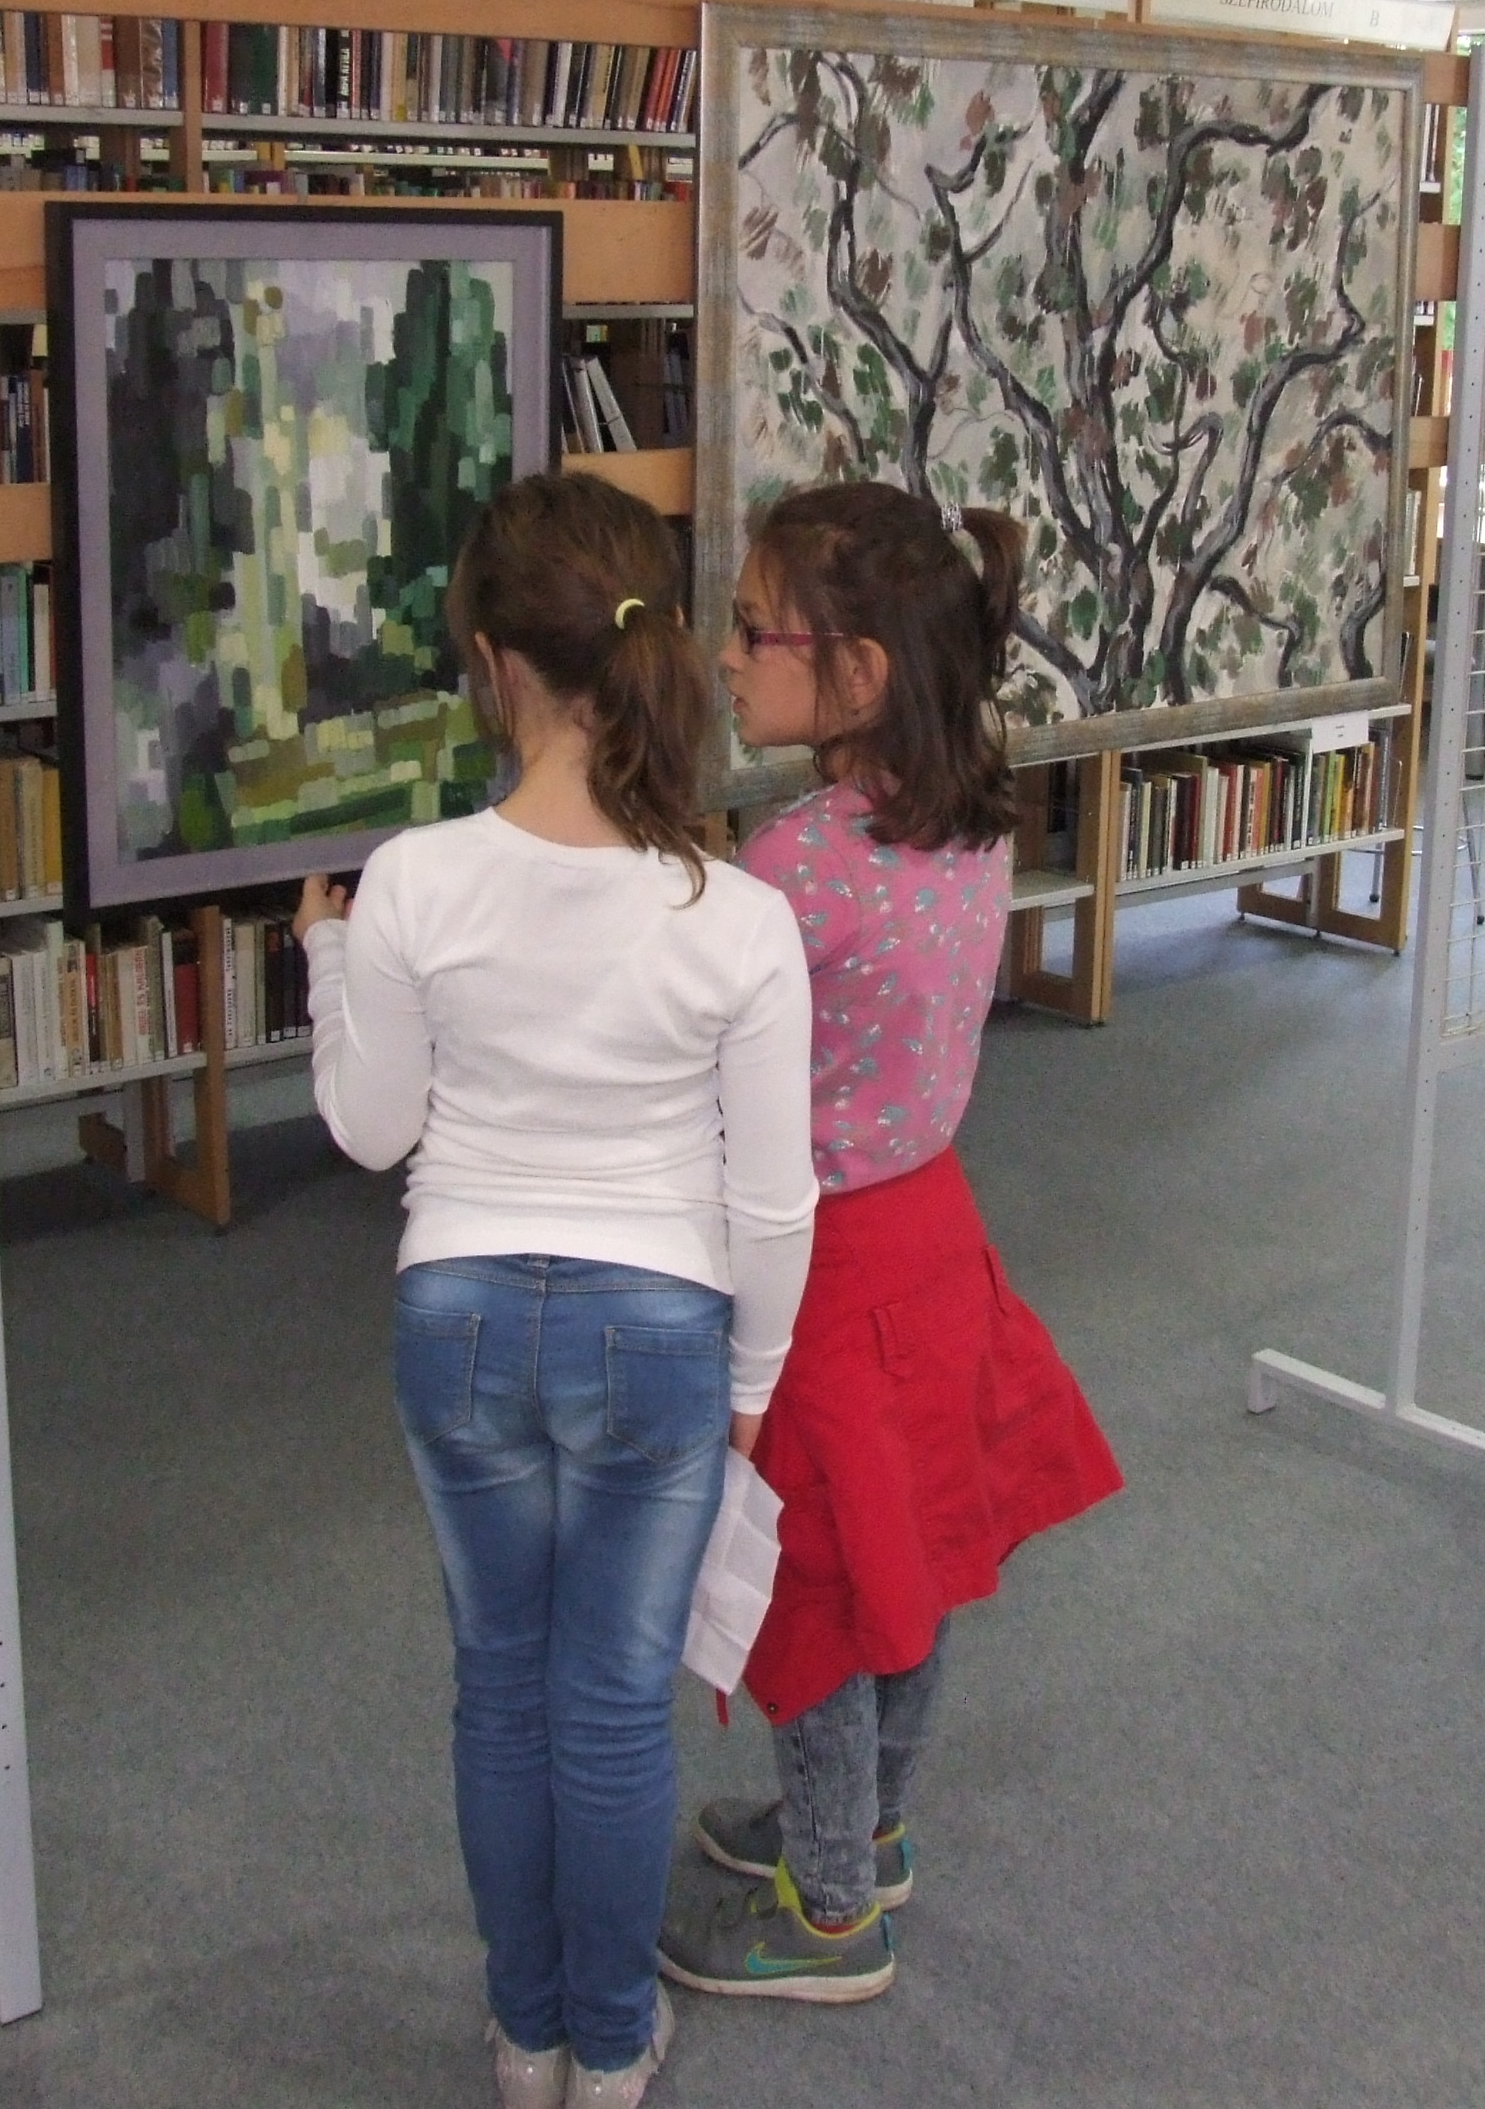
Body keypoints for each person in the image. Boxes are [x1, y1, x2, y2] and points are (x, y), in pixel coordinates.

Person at [299, 473, 816, 2109]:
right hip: (658, 1331)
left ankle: (525, 2037)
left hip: (456, 1316)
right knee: (610, 1710)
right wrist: (754, 1386)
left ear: (491, 663)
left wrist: (324, 961)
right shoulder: (740, 916)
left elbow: (370, 1128)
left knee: (500, 1692)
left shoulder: (412, 880)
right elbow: (772, 1200)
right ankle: (609, 2041)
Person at [656, 481, 1124, 2005]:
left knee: (819, 1592)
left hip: (823, 1269)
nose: (727, 659)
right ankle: (861, 1824)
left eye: (752, 633)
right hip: (932, 1238)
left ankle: (833, 1911)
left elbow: (685, 1036)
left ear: (854, 673)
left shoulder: (795, 866)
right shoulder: (969, 815)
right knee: (905, 1551)